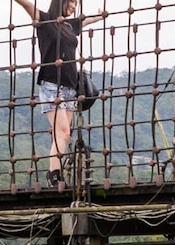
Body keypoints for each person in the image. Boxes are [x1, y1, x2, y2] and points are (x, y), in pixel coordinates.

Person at [8, 0, 107, 189]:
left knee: (62, 135)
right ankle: (53, 174)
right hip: (52, 86)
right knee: (63, 132)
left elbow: (85, 21)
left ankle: (56, 173)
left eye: (76, 4)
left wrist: (100, 16)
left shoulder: (70, 25)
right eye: (71, 2)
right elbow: (27, 5)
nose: (73, 7)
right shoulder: (45, 21)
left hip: (71, 87)